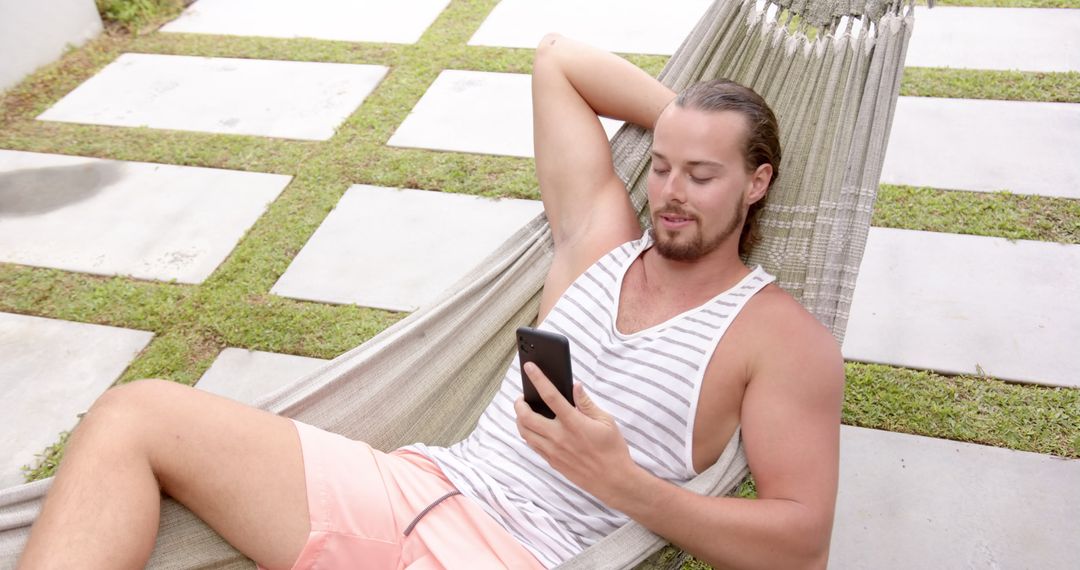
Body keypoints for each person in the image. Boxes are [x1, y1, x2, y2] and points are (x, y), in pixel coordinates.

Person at [17, 34, 843, 570]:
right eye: (662, 165)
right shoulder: (599, 240)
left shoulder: (778, 338)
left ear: (758, 182)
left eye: (702, 177)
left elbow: (801, 540)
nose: (670, 191)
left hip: (511, 555)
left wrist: (627, 485)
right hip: (409, 489)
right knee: (137, 414)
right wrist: (698, 129)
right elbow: (558, 62)